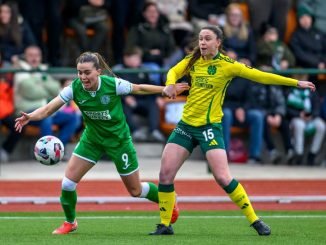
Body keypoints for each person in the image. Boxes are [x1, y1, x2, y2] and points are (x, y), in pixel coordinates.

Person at [149, 25, 316, 236]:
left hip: (209, 127)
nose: (202, 43)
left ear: (218, 42)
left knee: (222, 177)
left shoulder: (228, 65)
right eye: (200, 38)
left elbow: (260, 76)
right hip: (186, 126)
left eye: (207, 39)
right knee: (165, 174)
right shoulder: (192, 60)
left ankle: (255, 220)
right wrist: (170, 84)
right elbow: (173, 70)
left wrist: (295, 83)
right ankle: (165, 225)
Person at [14, 52, 189, 235]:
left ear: (98, 71)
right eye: (79, 72)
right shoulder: (74, 88)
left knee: (135, 191)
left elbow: (139, 88)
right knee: (67, 183)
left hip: (119, 142)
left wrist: (165, 89)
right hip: (92, 140)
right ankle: (70, 222)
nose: (83, 77)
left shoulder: (112, 84)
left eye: (87, 72)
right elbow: (49, 108)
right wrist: (31, 117)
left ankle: (167, 200)